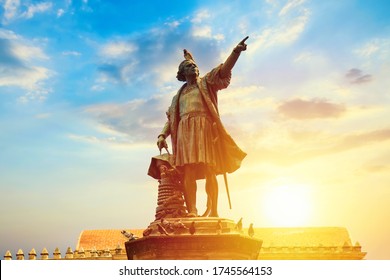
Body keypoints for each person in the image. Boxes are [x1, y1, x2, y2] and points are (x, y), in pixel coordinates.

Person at [157, 37, 248, 217]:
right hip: (184, 132)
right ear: (182, 72)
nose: (195, 68)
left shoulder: (206, 83)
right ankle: (192, 210)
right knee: (188, 171)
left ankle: (213, 210)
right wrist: (162, 134)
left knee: (210, 169)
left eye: (195, 66)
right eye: (190, 66)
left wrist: (235, 52)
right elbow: (171, 119)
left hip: (204, 128)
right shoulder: (178, 96)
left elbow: (224, 70)